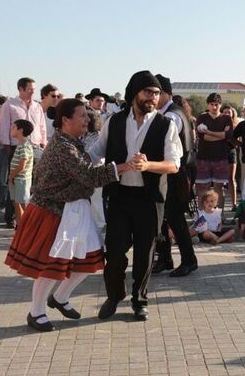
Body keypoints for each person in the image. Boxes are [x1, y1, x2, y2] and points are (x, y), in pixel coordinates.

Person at [5, 99, 126, 331]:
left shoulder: (72, 142)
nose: (88, 119)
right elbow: (89, 176)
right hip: (54, 212)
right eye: (82, 115)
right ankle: (36, 312)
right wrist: (123, 167)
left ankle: (60, 297)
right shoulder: (63, 147)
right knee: (52, 265)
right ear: (65, 120)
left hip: (74, 209)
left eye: (87, 115)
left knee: (90, 259)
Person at [88, 71, 182, 322]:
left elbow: (174, 165)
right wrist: (73, 160)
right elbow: (96, 152)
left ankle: (139, 300)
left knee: (145, 252)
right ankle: (114, 295)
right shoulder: (115, 122)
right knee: (115, 251)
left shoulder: (166, 125)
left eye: (157, 93)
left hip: (149, 199)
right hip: (120, 196)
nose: (153, 97)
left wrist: (148, 165)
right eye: (148, 92)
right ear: (134, 94)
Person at [152, 74, 198, 278]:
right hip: (171, 172)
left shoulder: (172, 116)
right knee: (162, 217)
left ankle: (189, 260)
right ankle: (165, 258)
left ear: (167, 94)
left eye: (157, 93)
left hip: (176, 174)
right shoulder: (169, 113)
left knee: (175, 218)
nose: (153, 97)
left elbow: (161, 145)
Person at [0, 78, 47, 228]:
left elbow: (42, 126)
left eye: (34, 89)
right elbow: (4, 126)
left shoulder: (37, 106)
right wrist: (7, 146)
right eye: (30, 89)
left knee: (32, 182)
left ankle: (31, 216)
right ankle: (12, 216)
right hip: (15, 147)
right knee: (14, 181)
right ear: (20, 89)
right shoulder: (9, 105)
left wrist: (43, 142)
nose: (32, 91)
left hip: (34, 147)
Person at [195, 94, 235, 207]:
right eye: (211, 104)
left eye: (216, 104)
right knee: (203, 188)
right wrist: (220, 135)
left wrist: (209, 132)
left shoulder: (226, 118)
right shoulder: (201, 118)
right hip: (203, 158)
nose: (214, 107)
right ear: (208, 105)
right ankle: (202, 214)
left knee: (219, 188)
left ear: (220, 105)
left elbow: (228, 135)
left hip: (221, 158)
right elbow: (202, 136)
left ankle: (219, 215)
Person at [7, 119, 35, 224]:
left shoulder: (25, 145)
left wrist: (12, 175)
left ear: (21, 130)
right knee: (16, 202)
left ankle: (31, 224)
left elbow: (22, 165)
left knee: (23, 203)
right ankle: (20, 223)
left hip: (21, 180)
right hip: (16, 179)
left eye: (14, 127)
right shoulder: (20, 144)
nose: (11, 129)